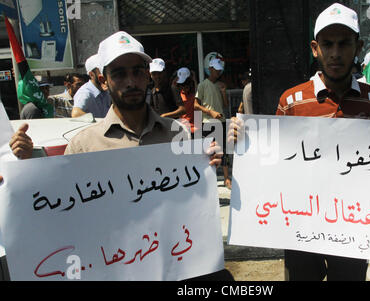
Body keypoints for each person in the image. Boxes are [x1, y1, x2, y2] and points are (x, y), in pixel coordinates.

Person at [228, 2, 370, 281]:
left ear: (358, 45)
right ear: (315, 48)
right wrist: (245, 143)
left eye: (344, 43)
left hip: (353, 229)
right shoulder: (291, 101)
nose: (336, 53)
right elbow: (270, 160)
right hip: (300, 228)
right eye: (328, 44)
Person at [5, 31, 232, 281]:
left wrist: (208, 165)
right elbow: (59, 213)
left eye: (137, 71)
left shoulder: (177, 135)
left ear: (147, 75)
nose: (131, 81)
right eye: (119, 73)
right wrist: (27, 167)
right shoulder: (83, 146)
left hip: (174, 266)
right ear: (103, 81)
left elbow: (192, 203)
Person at [196, 58, 232, 189]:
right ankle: (210, 180)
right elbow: (196, 105)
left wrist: (223, 92)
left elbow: (225, 105)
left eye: (219, 70)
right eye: (216, 70)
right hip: (208, 122)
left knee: (224, 151)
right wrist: (210, 112)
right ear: (210, 69)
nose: (218, 72)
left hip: (221, 121)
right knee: (209, 151)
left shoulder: (220, 85)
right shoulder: (202, 85)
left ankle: (227, 178)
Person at [71, 54, 111, 118]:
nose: (105, 75)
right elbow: (76, 114)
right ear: (91, 75)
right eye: (101, 71)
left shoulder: (105, 91)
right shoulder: (85, 93)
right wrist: (98, 123)